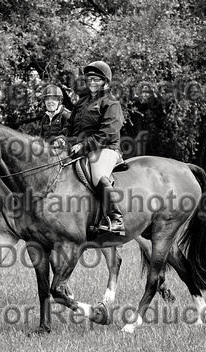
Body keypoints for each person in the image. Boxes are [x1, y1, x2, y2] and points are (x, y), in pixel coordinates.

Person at [66, 60, 126, 236]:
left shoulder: (111, 103)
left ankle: (116, 218)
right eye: (90, 79)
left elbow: (107, 132)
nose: (92, 83)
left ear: (106, 82)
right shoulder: (81, 103)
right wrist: (63, 139)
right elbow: (70, 127)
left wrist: (84, 146)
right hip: (80, 148)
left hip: (105, 148)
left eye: (96, 79)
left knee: (98, 175)